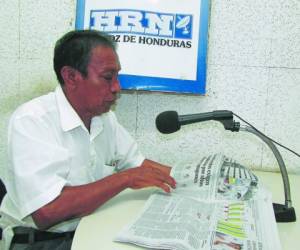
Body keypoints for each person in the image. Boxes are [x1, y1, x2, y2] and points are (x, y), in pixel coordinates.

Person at [0, 30, 176, 250]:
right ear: (71, 77)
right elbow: (47, 212)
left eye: (117, 76)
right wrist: (125, 178)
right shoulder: (32, 120)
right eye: (107, 77)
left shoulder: (105, 118)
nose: (117, 87)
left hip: (91, 228)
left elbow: (140, 166)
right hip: (42, 240)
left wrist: (194, 181)